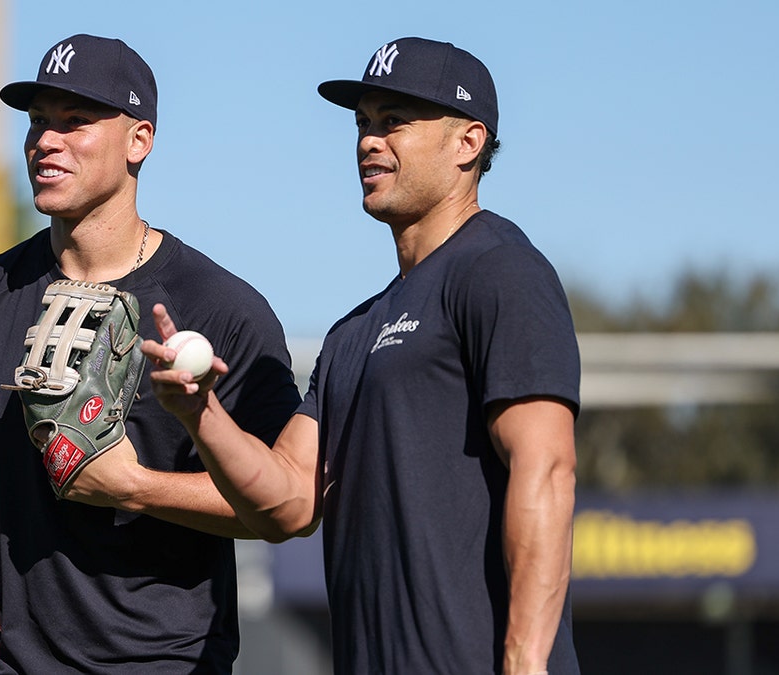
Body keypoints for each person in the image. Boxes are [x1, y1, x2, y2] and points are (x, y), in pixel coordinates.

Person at [144, 37, 581, 674]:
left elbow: (546, 469)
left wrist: (524, 661)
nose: (369, 141)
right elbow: (290, 500)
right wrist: (199, 414)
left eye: (395, 121)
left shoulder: (499, 270)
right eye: (363, 123)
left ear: (469, 143)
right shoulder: (353, 333)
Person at [0, 34, 301, 674]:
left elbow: (284, 508)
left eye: (76, 121)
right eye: (39, 121)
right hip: (4, 661)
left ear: (140, 140)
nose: (46, 140)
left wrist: (134, 488)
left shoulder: (221, 310)